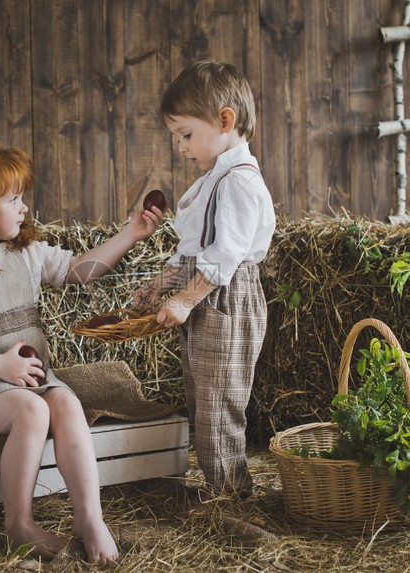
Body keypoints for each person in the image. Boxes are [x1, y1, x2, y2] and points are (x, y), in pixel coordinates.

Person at [0, 137, 163, 563]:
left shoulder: (26, 253)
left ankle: (89, 517)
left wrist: (132, 233)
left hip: (31, 377)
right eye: (12, 198)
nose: (24, 208)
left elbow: (79, 271)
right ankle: (19, 525)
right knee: (32, 411)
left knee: (66, 403)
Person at [134, 61, 276, 497]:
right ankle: (220, 487)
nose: (180, 147)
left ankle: (232, 498)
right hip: (207, 297)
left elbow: (226, 256)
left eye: (186, 134)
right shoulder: (215, 180)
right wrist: (160, 286)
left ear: (225, 120)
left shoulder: (239, 182)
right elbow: (193, 251)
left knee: (219, 405)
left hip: (227, 299)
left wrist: (183, 301)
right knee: (202, 397)